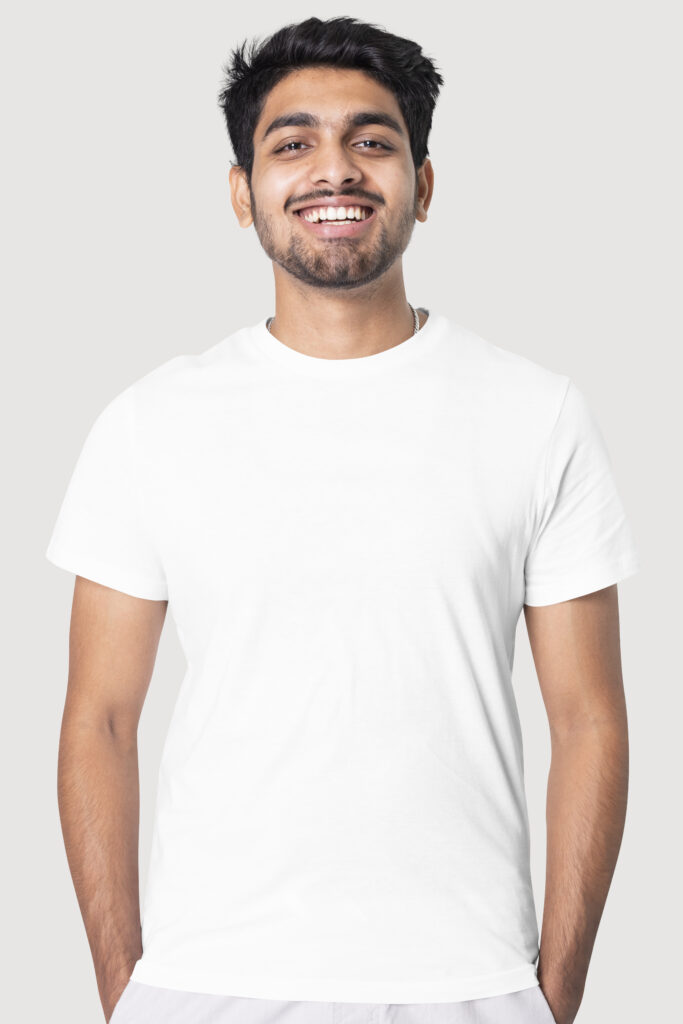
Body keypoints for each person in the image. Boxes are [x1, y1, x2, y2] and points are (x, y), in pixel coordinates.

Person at [46, 16, 639, 1024]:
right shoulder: (149, 423)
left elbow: (587, 718)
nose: (336, 170)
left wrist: (552, 993)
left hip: (467, 984)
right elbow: (98, 718)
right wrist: (126, 986)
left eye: (372, 141)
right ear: (241, 194)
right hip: (204, 982)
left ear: (424, 183)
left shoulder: (534, 412)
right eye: (293, 143)